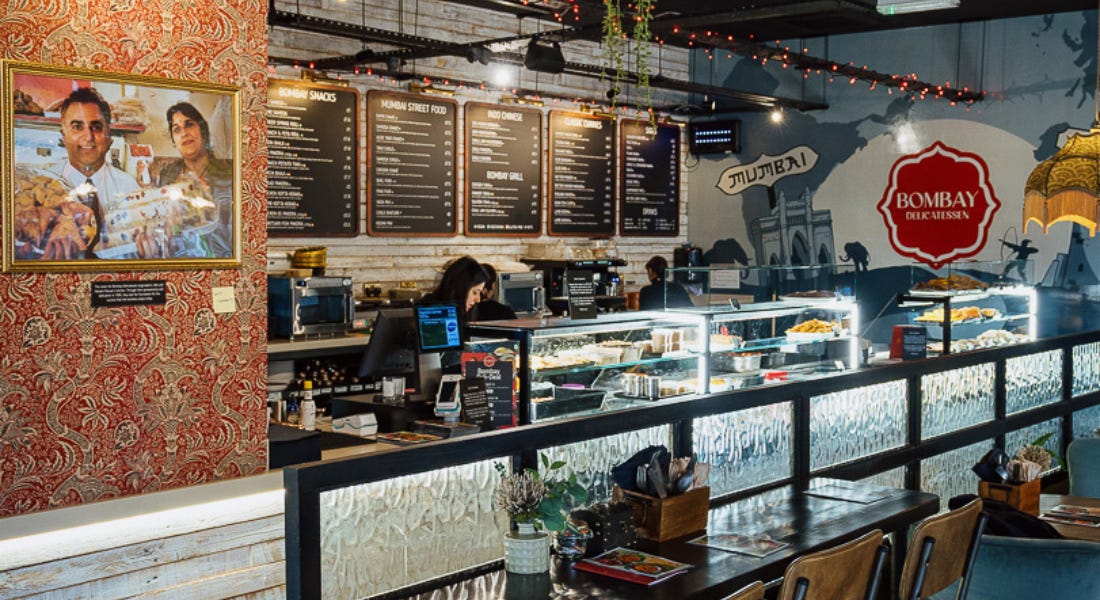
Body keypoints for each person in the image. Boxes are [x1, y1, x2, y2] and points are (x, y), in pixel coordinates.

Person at [37, 87, 141, 259]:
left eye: (96, 127)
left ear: (109, 136)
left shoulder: (131, 189)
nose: (88, 136)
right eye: (77, 127)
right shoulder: (42, 186)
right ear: (63, 136)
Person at [157, 101, 234, 258]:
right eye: (177, 129)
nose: (184, 133)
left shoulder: (228, 173)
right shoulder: (168, 175)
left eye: (189, 125)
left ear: (202, 130)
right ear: (173, 139)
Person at [419, 256, 492, 325]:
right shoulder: (430, 309)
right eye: (475, 292)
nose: (478, 300)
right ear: (461, 287)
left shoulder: (468, 313)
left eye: (480, 293)